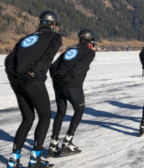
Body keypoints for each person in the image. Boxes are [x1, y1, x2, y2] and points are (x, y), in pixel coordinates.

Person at [4, 11, 62, 168]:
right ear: (54, 24)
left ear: (40, 22)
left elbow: (9, 59)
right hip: (32, 80)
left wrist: (13, 76)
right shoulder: (54, 37)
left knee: (27, 119)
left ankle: (13, 160)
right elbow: (47, 58)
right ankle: (35, 159)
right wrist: (33, 73)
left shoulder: (25, 39)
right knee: (45, 116)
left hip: (17, 82)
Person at [47, 29, 96, 157]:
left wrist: (56, 78)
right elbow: (78, 69)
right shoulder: (89, 52)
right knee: (79, 110)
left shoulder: (69, 50)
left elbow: (52, 66)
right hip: (72, 85)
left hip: (58, 86)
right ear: (89, 41)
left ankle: (53, 145)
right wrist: (66, 80)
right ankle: (67, 142)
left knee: (60, 112)